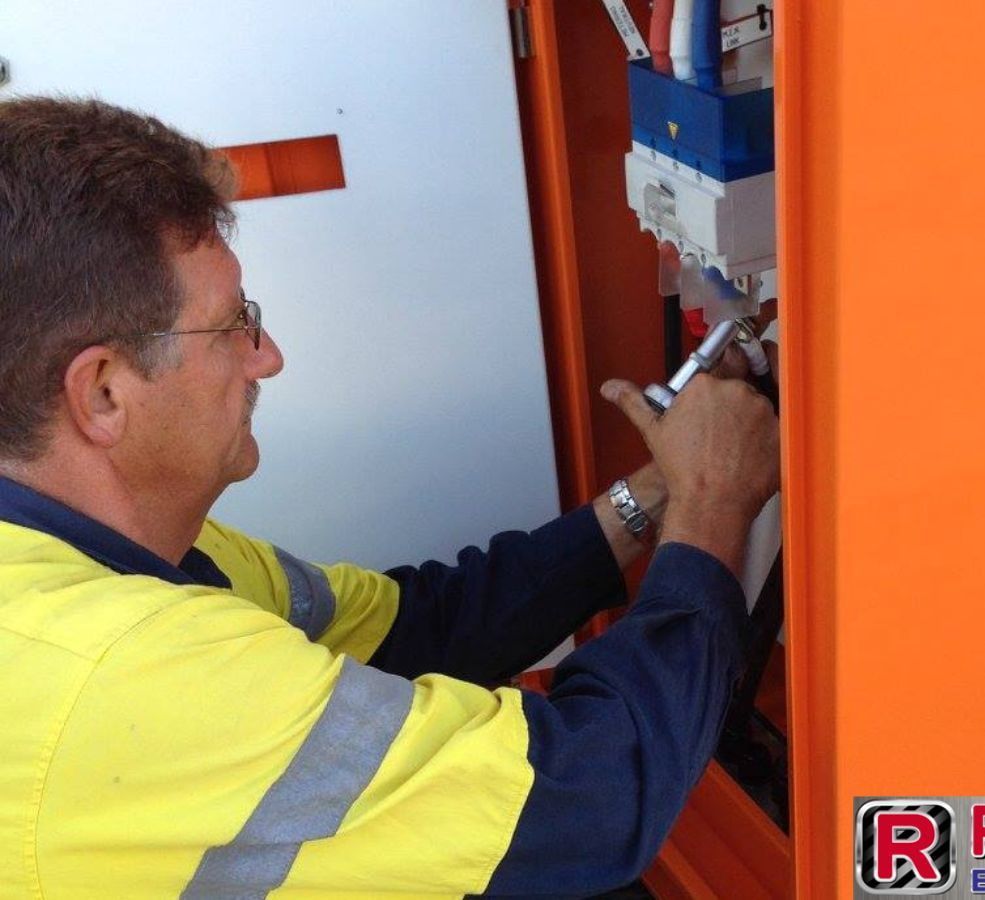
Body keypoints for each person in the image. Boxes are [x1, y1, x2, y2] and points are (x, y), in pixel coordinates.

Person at [0, 97, 780, 898]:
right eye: (233, 325)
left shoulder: (146, 549)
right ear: (102, 393)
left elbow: (414, 630)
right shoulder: (124, 675)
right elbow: (584, 801)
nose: (268, 357)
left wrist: (662, 489)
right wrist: (712, 504)